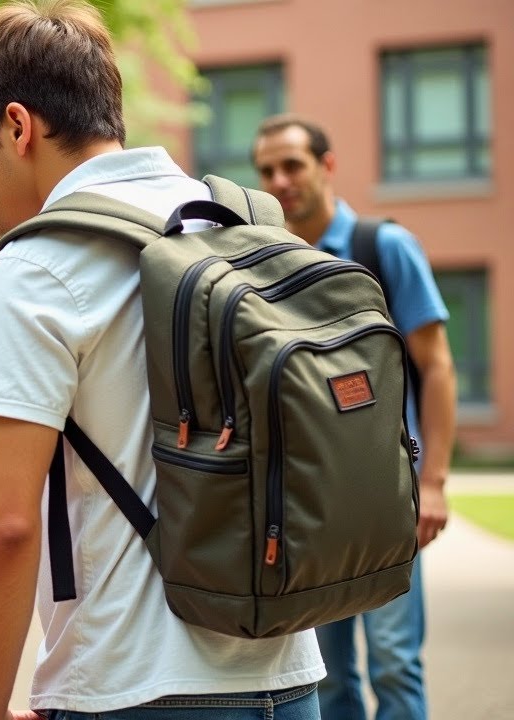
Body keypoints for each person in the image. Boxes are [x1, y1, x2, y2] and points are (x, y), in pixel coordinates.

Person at [0, 2, 327, 718]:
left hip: (135, 683)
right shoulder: (236, 219)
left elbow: (1, 524)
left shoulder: (36, 261)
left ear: (18, 126)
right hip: (287, 671)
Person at [253, 113, 457, 720]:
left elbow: (438, 367)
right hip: (308, 506)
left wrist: (436, 483)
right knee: (328, 674)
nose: (280, 180)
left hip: (388, 497)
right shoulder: (270, 260)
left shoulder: (382, 246)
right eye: (267, 170)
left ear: (328, 165)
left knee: (393, 662)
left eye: (293, 164)